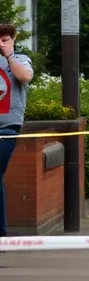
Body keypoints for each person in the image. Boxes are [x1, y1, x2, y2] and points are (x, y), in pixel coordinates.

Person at [0, 24, 34, 240]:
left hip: (7, 127)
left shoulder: (19, 60)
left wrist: (9, 55)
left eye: (5, 39)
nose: (1, 43)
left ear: (13, 40)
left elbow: (25, 77)